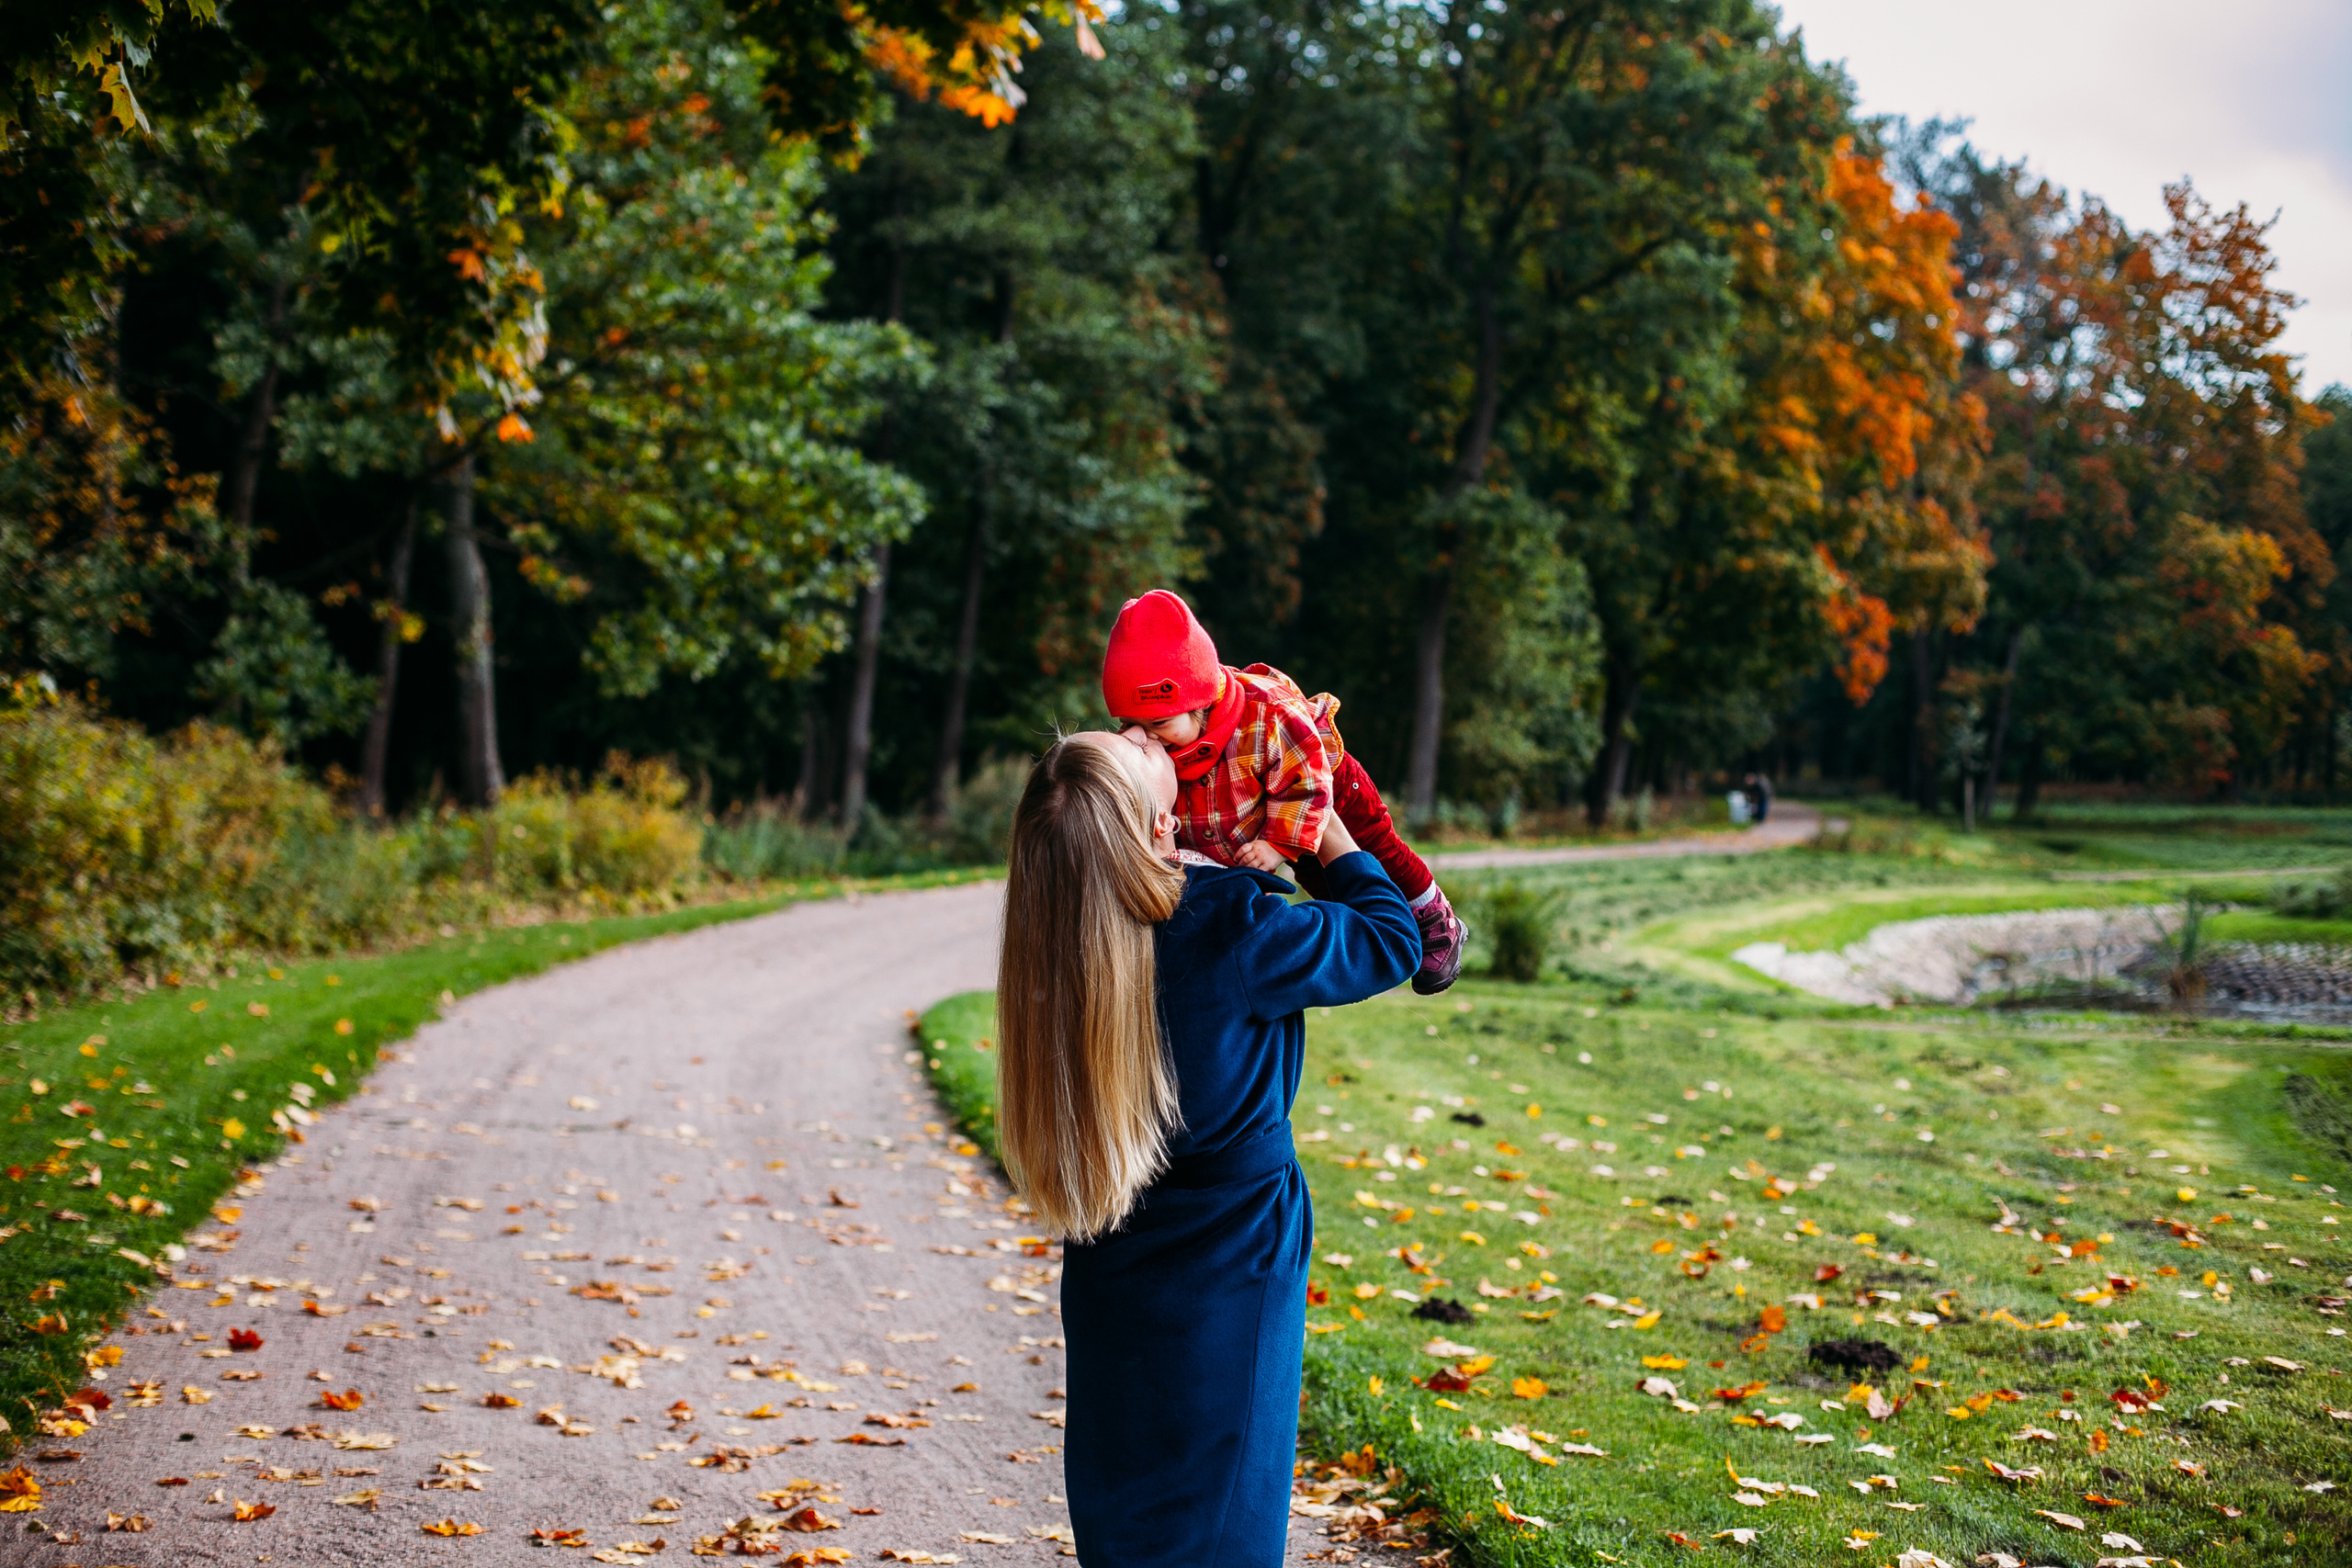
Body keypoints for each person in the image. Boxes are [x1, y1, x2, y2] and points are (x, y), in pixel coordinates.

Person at [998, 728, 1419, 1567]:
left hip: (1112, 1252)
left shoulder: (1055, 948)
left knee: (1128, 1504)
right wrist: (1322, 823)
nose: (1144, 730)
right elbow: (1393, 937)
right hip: (1237, 1252)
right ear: (1161, 828)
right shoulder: (1235, 927)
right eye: (1135, 745)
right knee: (1227, 1509)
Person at [1099, 588, 1466, 993]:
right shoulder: (1170, 743)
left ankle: (1434, 917)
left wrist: (1278, 843)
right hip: (1264, 816)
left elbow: (1307, 782)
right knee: (1325, 884)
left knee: (1374, 852)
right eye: (1130, 724)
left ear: (1200, 701)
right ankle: (1378, 932)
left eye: (1158, 724)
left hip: (1321, 786)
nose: (1145, 736)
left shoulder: (1268, 716)